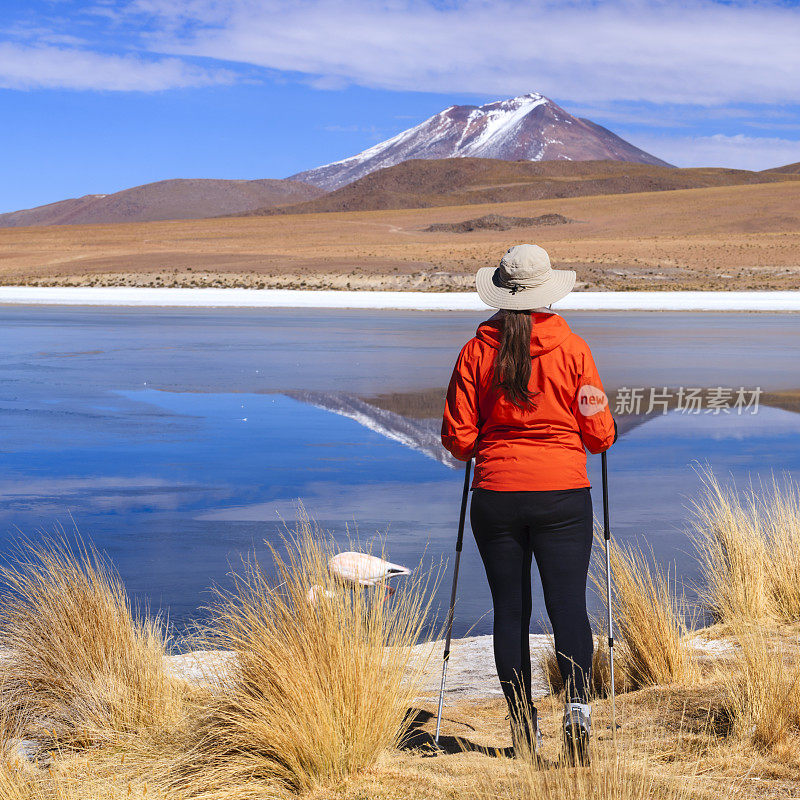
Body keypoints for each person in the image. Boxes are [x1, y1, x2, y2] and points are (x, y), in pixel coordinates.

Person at [440, 244, 616, 764]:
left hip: (496, 495)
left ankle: (523, 729)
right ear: (547, 291)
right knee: (569, 609)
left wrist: (493, 444)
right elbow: (600, 433)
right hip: (563, 495)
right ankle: (578, 722)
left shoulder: (476, 351)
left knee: (510, 612)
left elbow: (458, 438)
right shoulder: (575, 350)